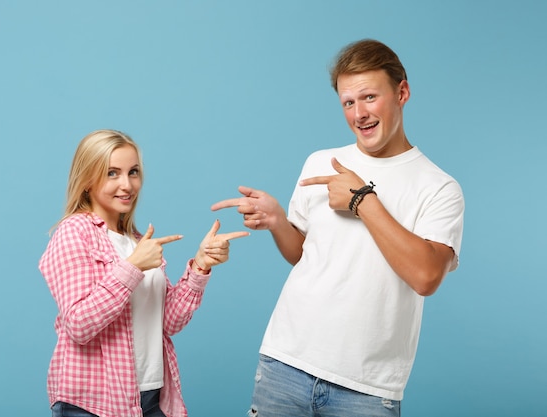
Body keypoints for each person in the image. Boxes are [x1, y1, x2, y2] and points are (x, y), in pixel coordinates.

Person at [212, 39, 464, 417]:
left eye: (369, 97)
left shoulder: (438, 187)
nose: (359, 113)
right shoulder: (320, 162)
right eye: (348, 102)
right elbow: (303, 254)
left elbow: (426, 277)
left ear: (402, 92)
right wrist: (279, 221)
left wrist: (362, 200)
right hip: (285, 363)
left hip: (366, 389)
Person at [39, 129, 248, 417]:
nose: (127, 184)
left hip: (149, 397)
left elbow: (168, 324)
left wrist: (200, 265)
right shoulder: (74, 232)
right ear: (87, 179)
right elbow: (79, 324)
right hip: (93, 403)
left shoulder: (136, 240)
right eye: (112, 173)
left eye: (133, 172)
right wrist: (133, 267)